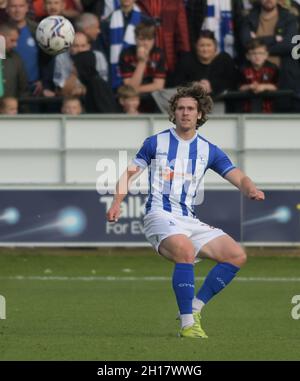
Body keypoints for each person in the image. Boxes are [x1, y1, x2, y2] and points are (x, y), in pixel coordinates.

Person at [106, 83, 265, 338]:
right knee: (185, 251)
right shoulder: (155, 142)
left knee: (236, 255)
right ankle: (188, 325)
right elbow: (128, 174)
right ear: (174, 112)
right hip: (159, 214)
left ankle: (194, 306)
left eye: (191, 108)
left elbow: (239, 177)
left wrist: (251, 189)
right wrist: (116, 202)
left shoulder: (208, 150)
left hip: (187, 219)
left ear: (200, 114)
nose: (185, 113)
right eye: (180, 108)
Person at [175, 30, 238, 97]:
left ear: (215, 46)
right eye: (202, 45)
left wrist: (212, 86)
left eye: (209, 45)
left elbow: (233, 82)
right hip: (192, 98)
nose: (205, 49)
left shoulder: (225, 59)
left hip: (221, 99)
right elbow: (176, 81)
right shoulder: (187, 60)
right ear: (196, 46)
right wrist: (193, 85)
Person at [239, 38, 278, 112]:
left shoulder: (273, 68)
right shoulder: (243, 69)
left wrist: (263, 87)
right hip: (247, 111)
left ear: (266, 55)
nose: (257, 56)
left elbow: (277, 86)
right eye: (253, 53)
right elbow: (239, 87)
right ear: (247, 56)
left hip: (269, 110)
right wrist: (250, 86)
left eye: (260, 53)